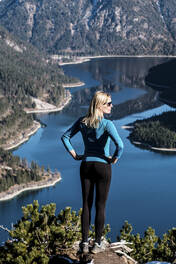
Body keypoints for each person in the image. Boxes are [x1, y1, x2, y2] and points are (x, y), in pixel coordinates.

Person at [61, 91, 124, 254]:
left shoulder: (82, 122)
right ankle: (97, 244)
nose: (111, 106)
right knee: (100, 205)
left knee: (86, 205)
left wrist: (75, 155)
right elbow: (121, 146)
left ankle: (83, 243)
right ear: (100, 106)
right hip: (103, 167)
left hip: (86, 165)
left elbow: (65, 137)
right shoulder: (107, 124)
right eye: (109, 103)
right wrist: (114, 159)